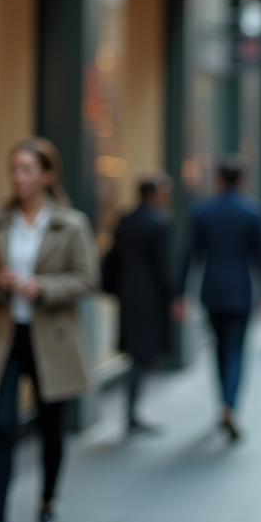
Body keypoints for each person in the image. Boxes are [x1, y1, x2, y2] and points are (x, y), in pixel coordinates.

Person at [0, 137, 99, 522]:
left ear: (47, 175)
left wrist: (42, 287)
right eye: (13, 169)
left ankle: (46, 508)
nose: (17, 177)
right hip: (6, 337)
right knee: (3, 427)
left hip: (52, 338)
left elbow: (86, 279)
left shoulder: (71, 224)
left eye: (26, 169)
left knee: (50, 427)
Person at [174, 160, 261, 442]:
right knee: (237, 350)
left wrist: (181, 293)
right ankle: (230, 405)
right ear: (241, 181)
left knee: (219, 349)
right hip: (241, 291)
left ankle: (223, 403)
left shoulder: (203, 211)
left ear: (218, 180)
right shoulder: (253, 212)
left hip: (213, 290)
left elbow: (189, 254)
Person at [102, 174, 174, 434]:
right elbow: (162, 266)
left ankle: (131, 412)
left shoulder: (125, 219)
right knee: (140, 356)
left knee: (135, 353)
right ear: (153, 194)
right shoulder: (159, 223)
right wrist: (171, 297)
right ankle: (131, 413)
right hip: (149, 297)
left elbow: (113, 258)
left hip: (127, 291)